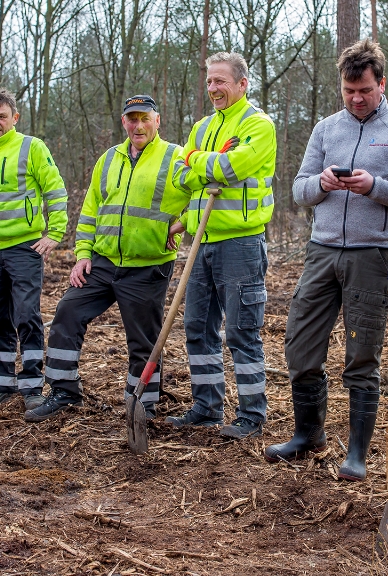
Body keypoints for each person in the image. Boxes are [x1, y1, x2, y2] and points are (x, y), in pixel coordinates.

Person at [265, 39, 388, 480]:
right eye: (349, 90)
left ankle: (356, 454)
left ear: (382, 84)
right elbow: (298, 191)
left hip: (371, 255)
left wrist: (374, 186)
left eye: (365, 91)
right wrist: (321, 183)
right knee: (300, 346)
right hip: (321, 252)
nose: (356, 99)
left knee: (362, 353)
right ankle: (307, 435)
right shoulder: (325, 129)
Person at [24, 95, 189, 422]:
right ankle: (63, 391)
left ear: (157, 121)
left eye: (145, 118)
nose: (138, 126)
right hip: (103, 262)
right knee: (68, 312)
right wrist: (83, 254)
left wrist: (181, 225)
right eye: (132, 119)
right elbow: (90, 211)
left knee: (143, 339)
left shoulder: (177, 157)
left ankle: (141, 406)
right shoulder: (109, 158)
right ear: (124, 121)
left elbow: (201, 198)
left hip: (148, 265)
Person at [166, 52, 277, 439]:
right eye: (210, 81)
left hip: (240, 243)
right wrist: (203, 164)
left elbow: (230, 169)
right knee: (198, 327)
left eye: (221, 81)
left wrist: (195, 161)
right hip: (201, 240)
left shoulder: (258, 125)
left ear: (242, 84)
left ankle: (251, 414)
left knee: (242, 331)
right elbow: (178, 176)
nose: (213, 88)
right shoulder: (201, 127)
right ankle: (206, 407)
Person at [0, 88, 69, 410]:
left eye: (1, 116)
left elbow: (55, 190)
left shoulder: (32, 147)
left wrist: (55, 233)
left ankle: (32, 386)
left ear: (15, 117)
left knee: (27, 315)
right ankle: (1, 384)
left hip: (24, 247)